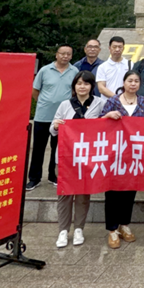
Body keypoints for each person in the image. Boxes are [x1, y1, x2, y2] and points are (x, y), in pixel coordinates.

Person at [50, 71, 103, 247]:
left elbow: (105, 126)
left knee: (83, 194)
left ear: (91, 86)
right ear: (74, 86)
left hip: (87, 158)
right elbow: (53, 128)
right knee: (64, 194)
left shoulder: (99, 103)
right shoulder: (65, 104)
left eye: (86, 83)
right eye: (79, 83)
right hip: (65, 158)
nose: (82, 87)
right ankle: (63, 230)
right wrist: (56, 125)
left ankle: (79, 228)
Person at [101, 69, 144, 248]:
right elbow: (99, 124)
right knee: (112, 191)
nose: (133, 84)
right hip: (115, 154)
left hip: (134, 155)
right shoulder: (113, 101)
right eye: (130, 80)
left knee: (130, 190)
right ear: (123, 83)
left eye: (136, 81)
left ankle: (124, 225)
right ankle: (112, 229)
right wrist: (107, 116)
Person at [26, 45, 78, 191]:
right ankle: (34, 178)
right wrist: (44, 102)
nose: (65, 56)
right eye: (62, 53)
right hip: (43, 116)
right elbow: (35, 90)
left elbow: (75, 91)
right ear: (56, 54)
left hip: (63, 118)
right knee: (38, 148)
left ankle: (53, 176)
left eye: (68, 54)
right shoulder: (45, 70)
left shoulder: (74, 71)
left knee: (58, 149)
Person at [96, 36, 130, 101]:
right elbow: (101, 88)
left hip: (126, 102)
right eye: (114, 47)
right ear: (109, 48)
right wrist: (117, 98)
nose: (117, 49)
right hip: (107, 102)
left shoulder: (130, 64)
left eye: (120, 47)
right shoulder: (102, 67)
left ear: (123, 48)